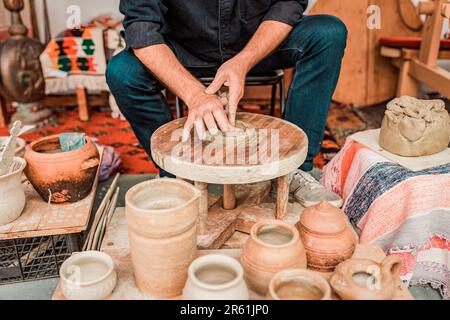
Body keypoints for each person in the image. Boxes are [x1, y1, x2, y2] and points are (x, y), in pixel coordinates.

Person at [107, 0, 347, 207]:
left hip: (256, 44)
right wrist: (195, 95)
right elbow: (141, 28)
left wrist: (243, 61)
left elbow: (288, 4)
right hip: (184, 50)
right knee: (122, 72)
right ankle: (178, 177)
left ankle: (294, 173)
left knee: (328, 32)